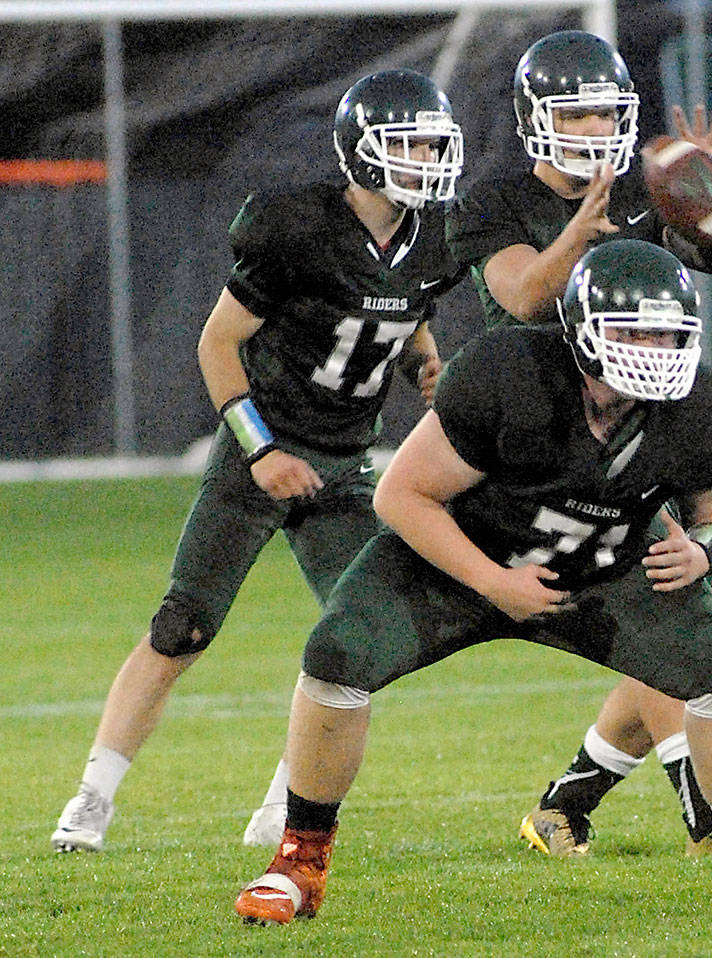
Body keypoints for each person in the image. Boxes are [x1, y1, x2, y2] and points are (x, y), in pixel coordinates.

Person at [232, 240, 712, 925]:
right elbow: (402, 496)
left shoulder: (707, 406)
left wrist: (706, 555)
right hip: (460, 560)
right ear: (581, 331)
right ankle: (297, 864)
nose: (652, 348)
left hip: (602, 568)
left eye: (667, 333)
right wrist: (493, 581)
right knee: (337, 652)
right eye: (633, 331)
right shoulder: (510, 374)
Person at [50, 69, 464, 854]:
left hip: (343, 465)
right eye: (409, 142)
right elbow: (218, 342)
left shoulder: (435, 238)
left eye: (434, 142)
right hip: (259, 452)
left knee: (360, 641)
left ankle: (285, 804)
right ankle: (92, 797)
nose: (426, 157)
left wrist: (426, 367)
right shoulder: (295, 226)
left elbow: (407, 322)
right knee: (183, 627)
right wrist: (262, 449)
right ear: (361, 151)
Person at [444, 29, 712, 857]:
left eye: (607, 111)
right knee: (676, 620)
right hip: (546, 437)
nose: (594, 127)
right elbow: (527, 300)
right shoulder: (494, 201)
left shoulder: (642, 188)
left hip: (655, 414)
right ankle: (707, 815)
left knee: (688, 612)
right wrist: (580, 228)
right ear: (538, 119)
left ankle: (565, 805)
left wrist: (704, 197)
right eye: (575, 114)